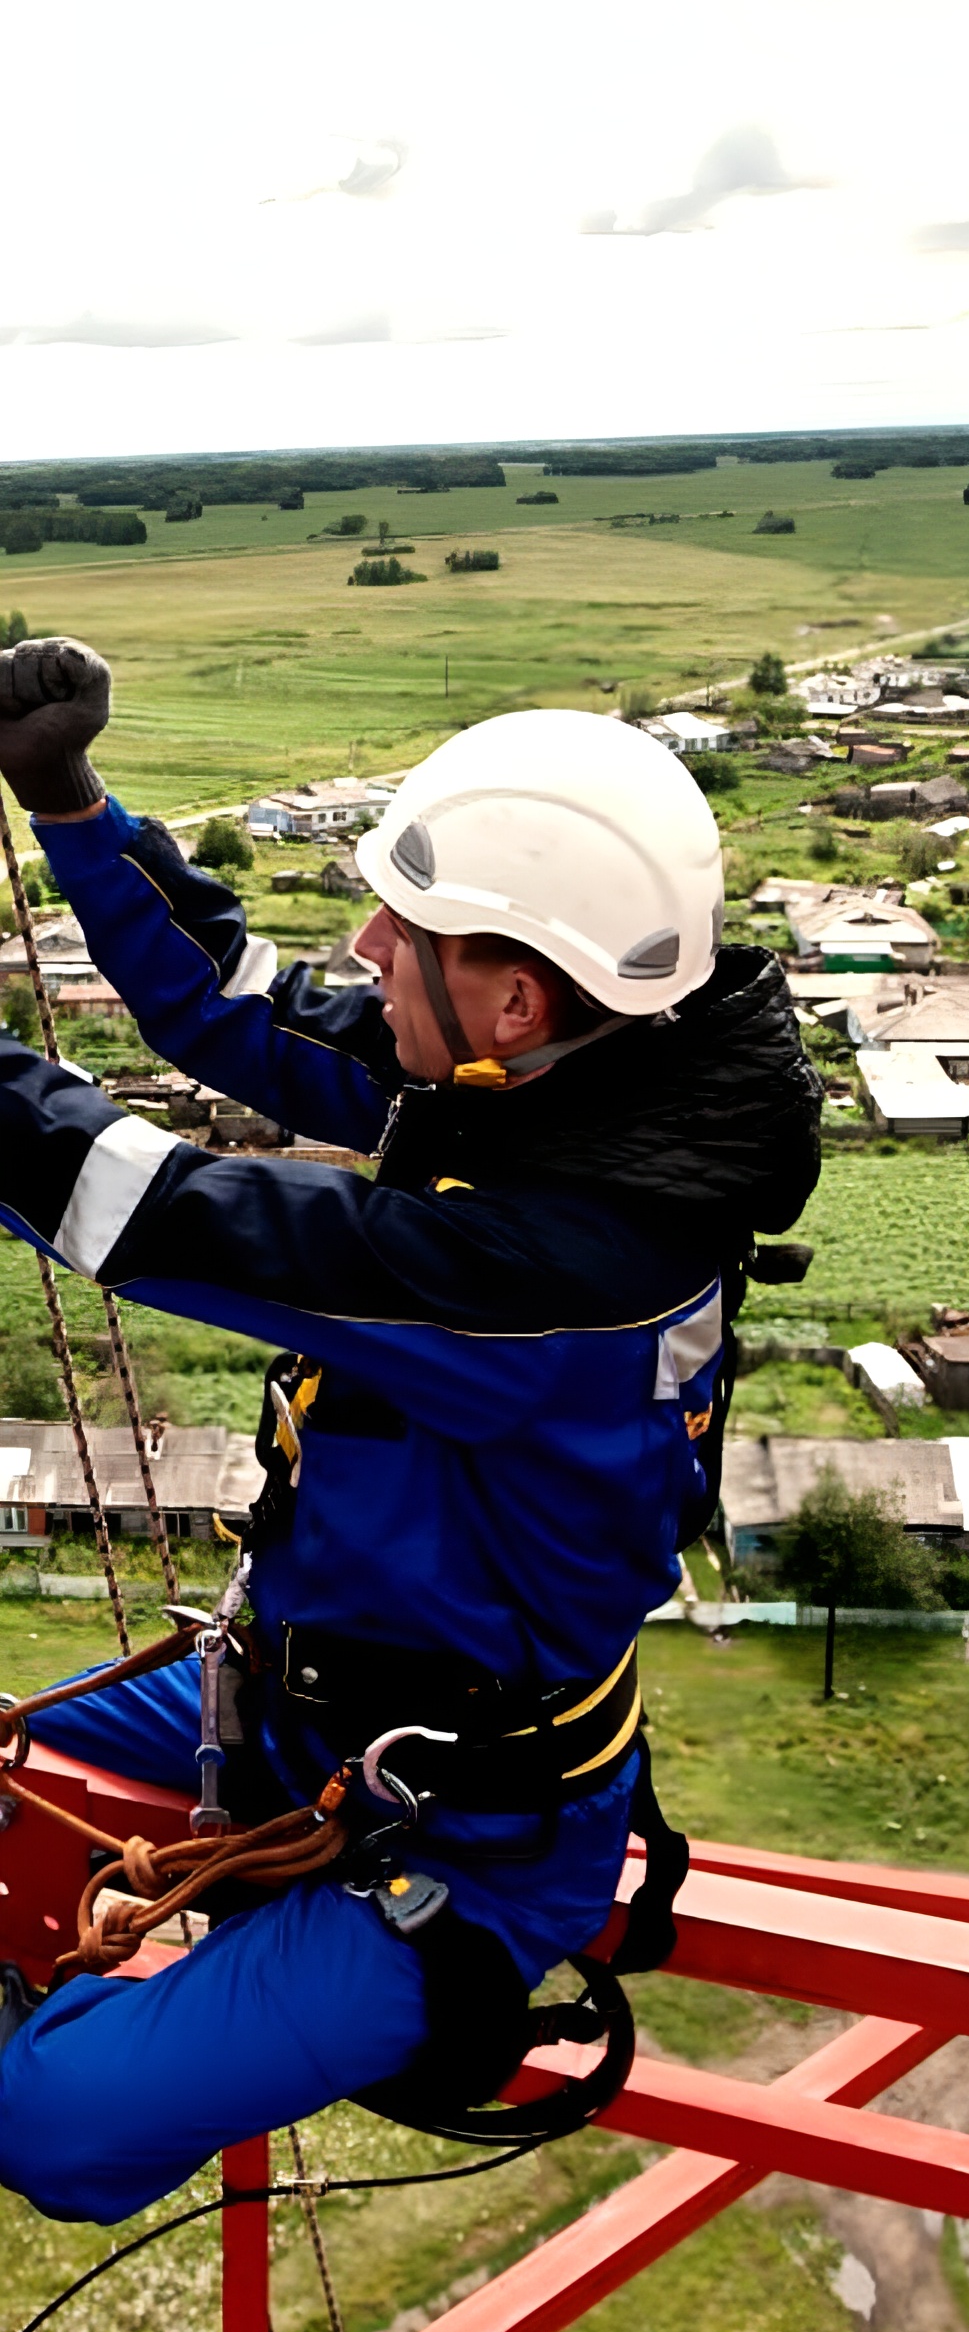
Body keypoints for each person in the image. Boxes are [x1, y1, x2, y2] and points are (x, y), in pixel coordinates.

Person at [0, 639, 821, 2224]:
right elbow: (229, 1011)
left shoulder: (567, 1280)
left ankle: (87, 2033)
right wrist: (74, 806)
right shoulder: (554, 1084)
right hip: (301, 1699)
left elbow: (154, 1210)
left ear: (516, 991)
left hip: (462, 1823)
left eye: (409, 930)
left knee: (49, 2128)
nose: (369, 943)